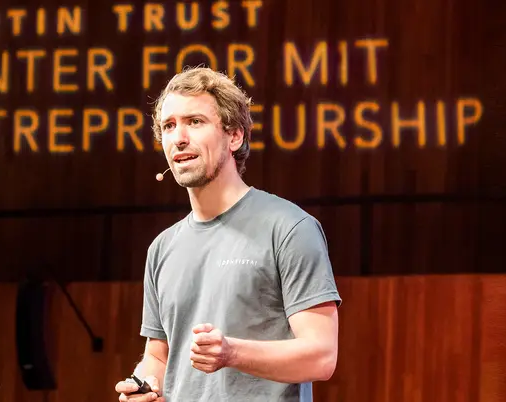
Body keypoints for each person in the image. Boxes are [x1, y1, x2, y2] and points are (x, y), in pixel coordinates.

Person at [114, 67, 342, 402]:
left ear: (234, 136)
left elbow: (322, 356)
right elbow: (159, 357)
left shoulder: (289, 228)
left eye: (195, 122)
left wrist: (231, 353)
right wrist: (143, 386)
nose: (178, 138)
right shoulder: (163, 249)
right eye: (169, 125)